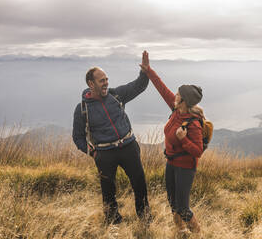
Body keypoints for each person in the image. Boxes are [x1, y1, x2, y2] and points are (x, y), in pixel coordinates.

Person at [72, 53, 151, 225]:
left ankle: (145, 220)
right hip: (104, 153)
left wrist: (145, 73)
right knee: (108, 192)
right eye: (102, 80)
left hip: (128, 146)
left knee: (140, 184)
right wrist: (91, 152)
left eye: (106, 79)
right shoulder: (82, 109)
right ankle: (113, 223)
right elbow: (77, 136)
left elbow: (138, 87)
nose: (106, 83)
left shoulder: (116, 95)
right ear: (91, 84)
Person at [139, 50, 204, 233]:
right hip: (171, 163)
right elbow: (162, 88)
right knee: (173, 204)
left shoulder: (193, 124)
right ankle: (181, 232)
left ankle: (197, 233)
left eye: (177, 95)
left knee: (183, 207)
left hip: (185, 167)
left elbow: (198, 151)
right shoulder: (176, 109)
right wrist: (148, 70)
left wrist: (184, 141)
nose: (174, 95)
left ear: (184, 101)